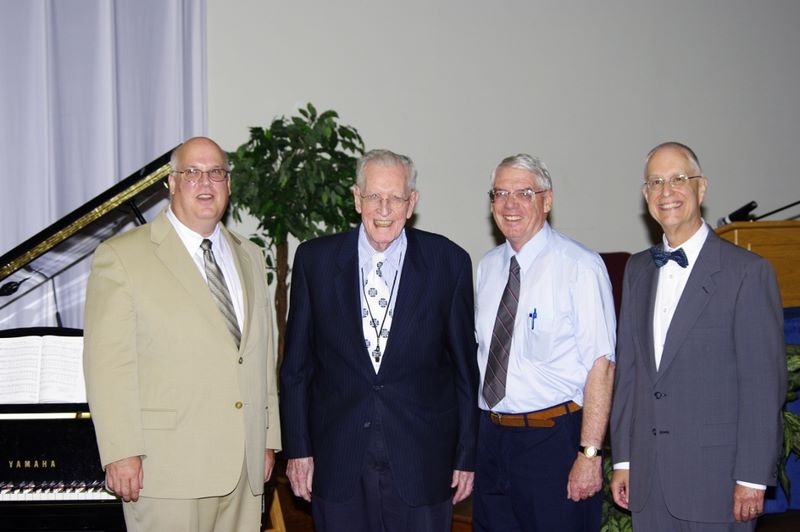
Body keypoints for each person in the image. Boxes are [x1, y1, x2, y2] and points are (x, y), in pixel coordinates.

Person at [83, 136, 281, 532]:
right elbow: (108, 365)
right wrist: (121, 452)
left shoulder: (250, 255)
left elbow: (262, 356)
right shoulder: (122, 256)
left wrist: (267, 437)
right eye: (192, 173)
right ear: (171, 183)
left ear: (229, 183)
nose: (205, 182)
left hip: (243, 468)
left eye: (217, 173)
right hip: (167, 469)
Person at [280, 149, 479, 532]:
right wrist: (299, 450)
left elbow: (464, 373)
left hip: (423, 462)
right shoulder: (314, 261)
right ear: (357, 198)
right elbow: (296, 370)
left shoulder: (449, 262)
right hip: (337, 460)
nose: (384, 208)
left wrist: (466, 455)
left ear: (412, 203)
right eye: (374, 196)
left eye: (396, 197)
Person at [610, 141, 787, 531]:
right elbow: (630, 376)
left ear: (701, 188)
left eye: (678, 179)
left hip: (717, 482)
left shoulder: (746, 272)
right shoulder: (637, 270)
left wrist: (752, 477)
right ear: (645, 195)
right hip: (649, 480)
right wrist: (623, 459)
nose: (666, 192)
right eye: (655, 182)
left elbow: (762, 384)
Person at [473, 154, 617, 531]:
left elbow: (601, 366)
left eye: (524, 192)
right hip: (491, 437)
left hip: (553, 441)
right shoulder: (487, 268)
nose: (510, 204)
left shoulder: (579, 266)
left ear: (547, 200)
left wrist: (589, 454)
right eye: (500, 193)